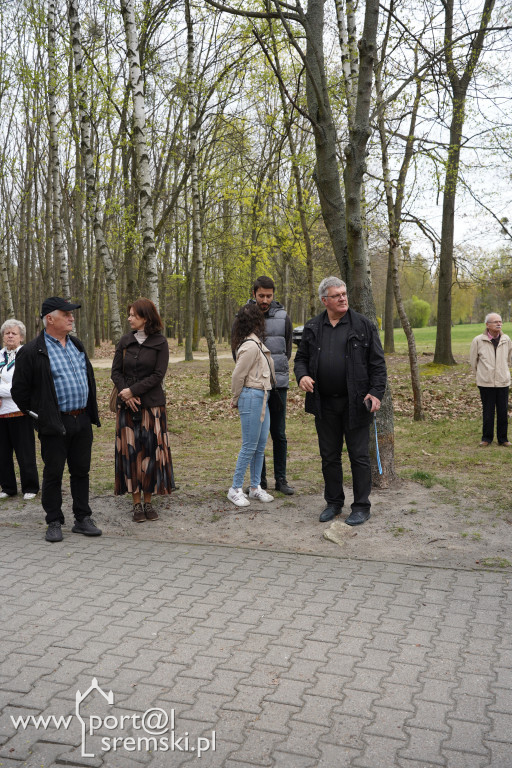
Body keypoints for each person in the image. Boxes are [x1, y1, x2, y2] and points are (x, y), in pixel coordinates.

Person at [294, 276, 387, 526]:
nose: (343, 298)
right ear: (325, 300)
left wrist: (376, 393)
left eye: (344, 294)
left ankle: (361, 506)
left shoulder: (363, 325)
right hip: (324, 404)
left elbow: (378, 365)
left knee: (358, 456)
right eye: (337, 295)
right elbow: (300, 359)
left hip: (356, 403)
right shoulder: (313, 327)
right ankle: (333, 503)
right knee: (329, 456)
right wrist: (302, 375)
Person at [11, 297, 101, 542]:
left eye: (72, 314)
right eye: (66, 314)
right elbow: (19, 392)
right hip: (54, 424)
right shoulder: (31, 351)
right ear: (50, 318)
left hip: (81, 420)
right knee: (54, 473)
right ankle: (53, 520)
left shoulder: (77, 345)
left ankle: (82, 518)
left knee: (81, 471)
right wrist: (41, 417)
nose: (72, 318)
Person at [111, 298, 175, 522]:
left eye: (133, 315)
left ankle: (149, 502)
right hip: (127, 408)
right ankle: (136, 504)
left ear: (146, 318)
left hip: (152, 408)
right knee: (131, 455)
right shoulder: (125, 341)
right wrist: (125, 393)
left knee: (150, 453)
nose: (129, 318)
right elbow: (115, 372)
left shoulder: (160, 342)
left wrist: (133, 391)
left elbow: (158, 375)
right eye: (128, 314)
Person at [247, 276, 294, 495]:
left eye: (269, 296)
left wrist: (277, 372)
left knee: (279, 433)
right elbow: (237, 350)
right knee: (256, 435)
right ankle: (259, 481)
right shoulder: (244, 316)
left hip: (278, 384)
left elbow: (287, 349)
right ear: (254, 293)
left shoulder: (283, 317)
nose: (265, 300)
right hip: (254, 386)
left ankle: (281, 480)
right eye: (261, 295)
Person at [228, 303, 276, 508]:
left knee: (260, 445)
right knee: (249, 445)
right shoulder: (249, 345)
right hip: (252, 396)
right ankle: (235, 488)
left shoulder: (255, 343)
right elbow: (238, 375)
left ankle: (255, 487)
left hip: (262, 396)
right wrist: (236, 398)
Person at [0, 319, 39, 501]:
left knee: (25, 453)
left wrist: (6, 390)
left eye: (13, 333)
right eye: (7, 333)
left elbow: (23, 386)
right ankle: (8, 487)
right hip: (1, 413)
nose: (9, 336)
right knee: (3, 453)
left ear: (21, 337)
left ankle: (30, 486)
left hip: (20, 411)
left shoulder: (27, 355)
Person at [469, 313, 512, 447]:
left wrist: (504, 372)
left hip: (503, 381)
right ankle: (486, 438)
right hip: (485, 382)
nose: (499, 324)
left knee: (503, 412)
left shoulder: (506, 339)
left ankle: (503, 439)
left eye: (500, 321)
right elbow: (473, 362)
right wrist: (482, 375)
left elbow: (510, 359)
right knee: (488, 411)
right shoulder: (478, 340)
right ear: (487, 325)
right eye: (495, 322)